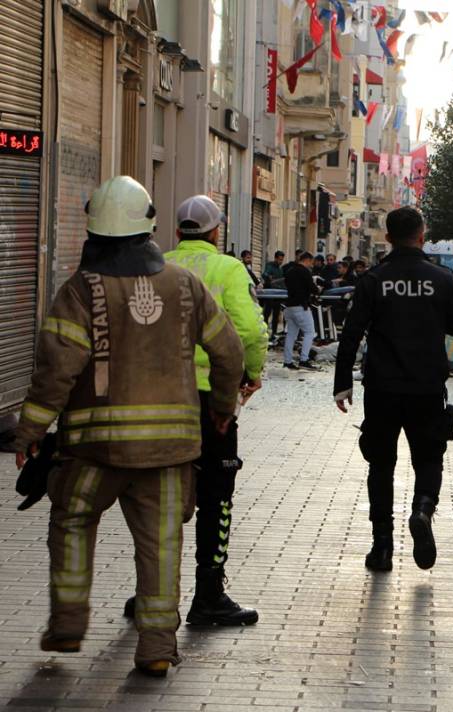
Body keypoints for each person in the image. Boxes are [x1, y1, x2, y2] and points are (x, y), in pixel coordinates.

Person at [4, 177, 244, 676]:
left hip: (94, 453)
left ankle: (68, 625)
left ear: (93, 233)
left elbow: (55, 373)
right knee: (161, 546)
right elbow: (229, 350)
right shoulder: (184, 284)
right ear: (150, 228)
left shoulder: (80, 291)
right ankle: (156, 649)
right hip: (170, 456)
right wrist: (223, 407)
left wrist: (28, 433)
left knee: (71, 522)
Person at [146, 195, 269, 626]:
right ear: (216, 232)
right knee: (216, 495)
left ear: (177, 231)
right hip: (210, 400)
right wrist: (250, 373)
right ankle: (209, 595)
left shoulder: (156, 265)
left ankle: (152, 592)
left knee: (157, 496)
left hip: (159, 396)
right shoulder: (229, 269)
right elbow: (250, 329)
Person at [333, 207, 453, 572]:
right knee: (429, 457)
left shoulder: (374, 279)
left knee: (380, 465)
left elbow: (351, 332)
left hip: (382, 387)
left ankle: (381, 547)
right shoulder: (441, 279)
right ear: (422, 234)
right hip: (427, 386)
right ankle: (423, 509)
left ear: (387, 237)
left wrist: (342, 383)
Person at [283, 252, 319, 370]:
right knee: (310, 332)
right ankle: (304, 360)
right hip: (301, 307)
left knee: (291, 334)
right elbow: (312, 288)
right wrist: (318, 289)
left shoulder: (289, 271)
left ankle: (288, 361)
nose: (311, 265)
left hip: (289, 307)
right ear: (307, 260)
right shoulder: (304, 272)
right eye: (311, 262)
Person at [261, 250, 286, 339]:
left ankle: (274, 333)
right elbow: (265, 274)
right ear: (275, 258)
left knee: (276, 315)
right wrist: (269, 277)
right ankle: (264, 333)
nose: (280, 261)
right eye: (279, 259)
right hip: (269, 294)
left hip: (277, 295)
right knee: (267, 314)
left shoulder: (280, 269)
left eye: (282, 260)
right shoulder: (270, 265)